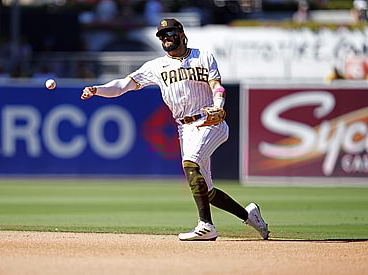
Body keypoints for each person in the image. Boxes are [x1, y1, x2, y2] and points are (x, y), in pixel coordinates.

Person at [81, 18, 269, 241]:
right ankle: (249, 215)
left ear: (181, 34)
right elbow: (123, 85)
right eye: (161, 35)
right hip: (185, 129)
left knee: (190, 163)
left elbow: (217, 86)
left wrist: (218, 106)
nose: (165, 38)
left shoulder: (203, 56)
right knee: (206, 191)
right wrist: (97, 89)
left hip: (210, 121)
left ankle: (206, 225)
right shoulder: (156, 67)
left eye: (169, 32)